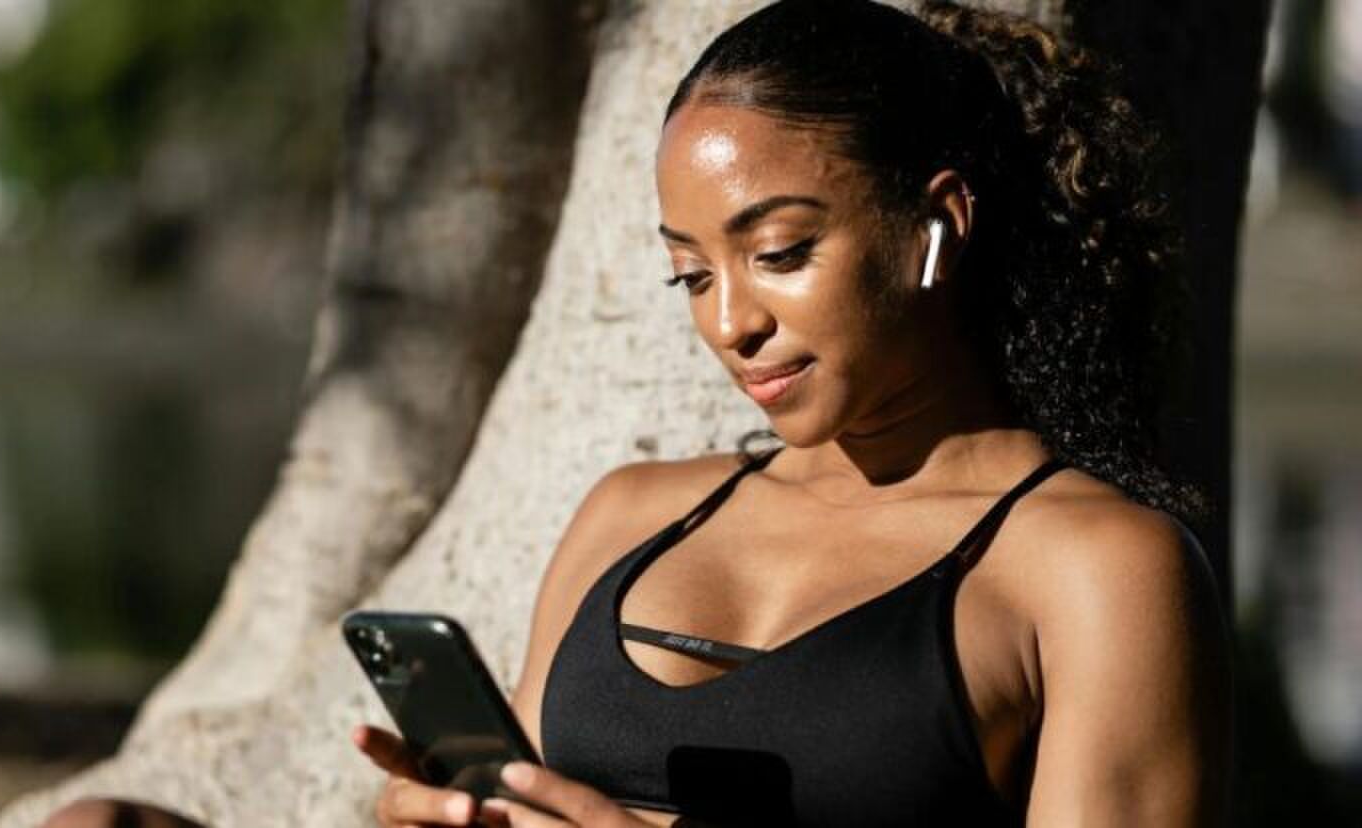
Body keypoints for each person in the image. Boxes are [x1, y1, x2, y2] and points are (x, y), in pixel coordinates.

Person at [353, 1, 1232, 826]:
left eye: (780, 251)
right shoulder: (632, 513)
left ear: (939, 225)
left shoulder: (1095, 568)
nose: (732, 323)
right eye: (693, 275)